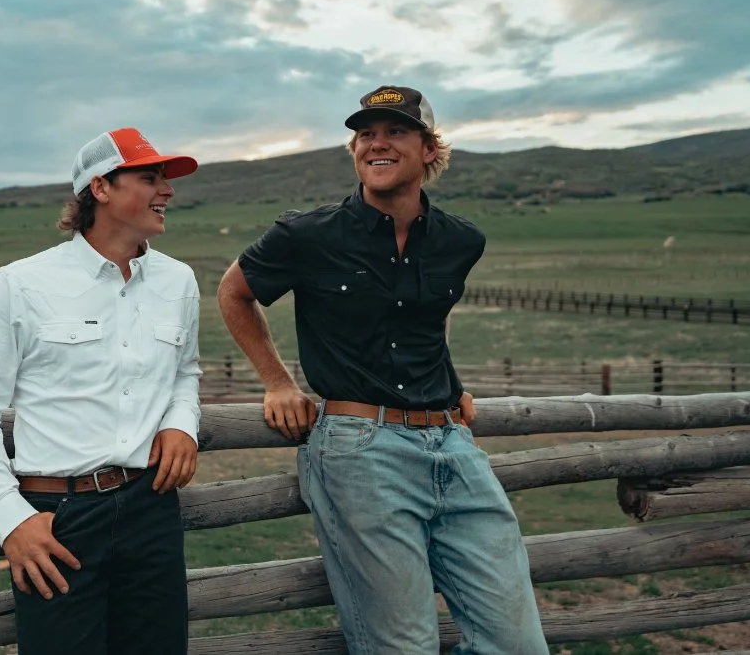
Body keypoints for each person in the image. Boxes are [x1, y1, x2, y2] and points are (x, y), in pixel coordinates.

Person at [217, 86, 547, 653]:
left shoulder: (460, 239)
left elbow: (425, 319)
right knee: (404, 646)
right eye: (366, 134)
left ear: (428, 150)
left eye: (395, 131)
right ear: (354, 151)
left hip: (453, 446)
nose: (377, 143)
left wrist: (453, 385)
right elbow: (233, 293)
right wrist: (277, 382)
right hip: (358, 447)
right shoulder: (307, 234)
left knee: (516, 643)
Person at [0, 127, 202, 655]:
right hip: (56, 518)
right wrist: (9, 518)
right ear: (101, 189)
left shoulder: (178, 282)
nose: (167, 191)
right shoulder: (21, 284)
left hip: (150, 506)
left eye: (166, 180)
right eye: (150, 178)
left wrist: (181, 423)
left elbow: (185, 373)